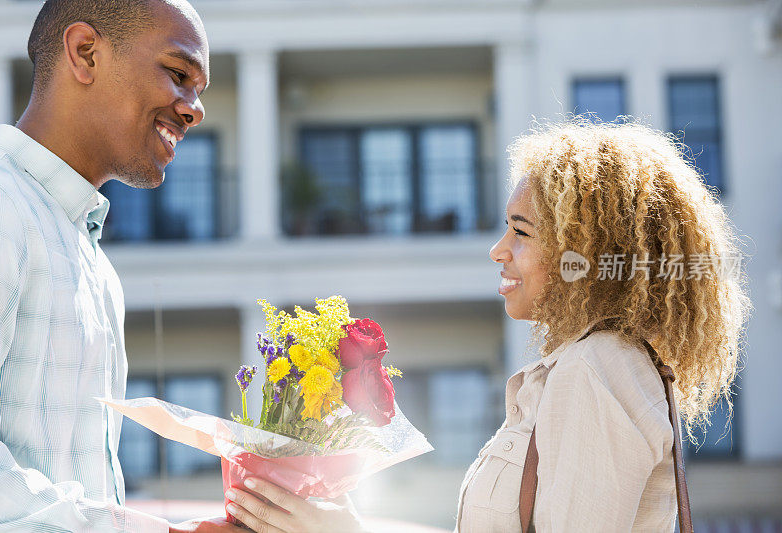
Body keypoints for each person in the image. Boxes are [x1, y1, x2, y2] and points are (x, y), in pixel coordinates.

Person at [223, 119, 751, 532]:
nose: (498, 251)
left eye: (521, 232)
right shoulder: (590, 368)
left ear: (584, 252)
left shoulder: (597, 369)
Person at [0, 1, 249, 531]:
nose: (194, 110)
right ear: (85, 53)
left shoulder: (96, 268)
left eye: (199, 92)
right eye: (178, 75)